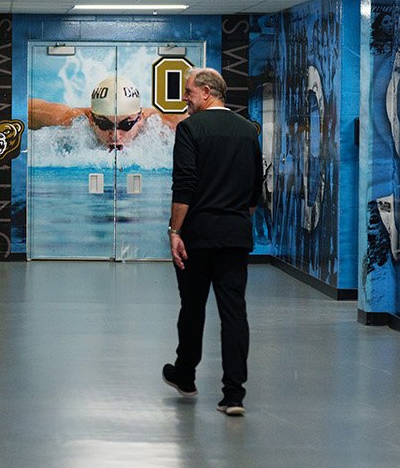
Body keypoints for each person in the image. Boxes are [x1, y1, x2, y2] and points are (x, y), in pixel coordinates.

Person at [161, 68, 261, 417]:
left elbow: (184, 184)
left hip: (198, 236)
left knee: (193, 306)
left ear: (206, 92)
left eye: (188, 92)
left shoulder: (190, 129)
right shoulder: (249, 131)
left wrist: (175, 232)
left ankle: (185, 374)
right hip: (235, 235)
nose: (185, 98)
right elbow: (254, 192)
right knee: (234, 312)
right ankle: (234, 395)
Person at [27, 74, 183, 150]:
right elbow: (20, 108)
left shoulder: (161, 124)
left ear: (140, 118)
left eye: (126, 125)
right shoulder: (73, 120)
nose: (115, 135)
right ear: (91, 119)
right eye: (104, 124)